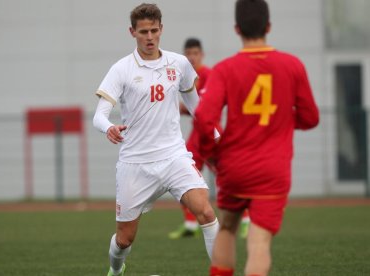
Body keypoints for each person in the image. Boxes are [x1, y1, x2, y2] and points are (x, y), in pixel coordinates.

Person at [193, 0, 319, 275]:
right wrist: (282, 121)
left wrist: (210, 153)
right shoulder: (292, 65)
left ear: (237, 28)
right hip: (273, 171)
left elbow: (204, 118)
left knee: (226, 228)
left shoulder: (225, 70)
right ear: (269, 27)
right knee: (259, 243)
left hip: (234, 167)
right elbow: (311, 118)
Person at [92, 3, 219, 276]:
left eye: (153, 30)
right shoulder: (121, 69)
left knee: (207, 214)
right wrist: (109, 128)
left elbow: (197, 106)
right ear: (132, 32)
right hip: (135, 163)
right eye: (143, 32)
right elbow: (98, 116)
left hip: (174, 157)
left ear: (161, 29)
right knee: (125, 239)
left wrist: (217, 134)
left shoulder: (179, 64)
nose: (149, 37)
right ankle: (116, 271)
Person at [168, 37, 213, 239]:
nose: (192, 57)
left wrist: (178, 107)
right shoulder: (183, 74)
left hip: (211, 131)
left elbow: (202, 105)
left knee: (231, 175)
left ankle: (247, 220)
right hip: (196, 133)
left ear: (201, 54)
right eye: (188, 54)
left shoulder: (208, 74)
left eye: (195, 53)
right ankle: (190, 224)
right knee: (183, 175)